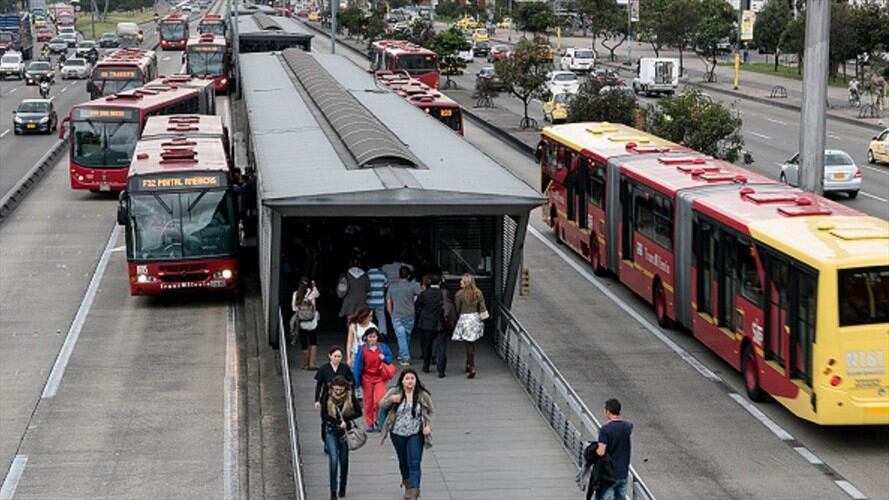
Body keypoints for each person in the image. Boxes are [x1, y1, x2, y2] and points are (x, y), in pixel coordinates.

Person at [381, 369, 433, 500]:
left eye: (412, 378)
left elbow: (430, 411)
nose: (410, 381)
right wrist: (391, 400)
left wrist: (427, 426)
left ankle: (415, 492)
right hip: (397, 433)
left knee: (414, 462)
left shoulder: (421, 395)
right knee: (403, 460)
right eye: (407, 379)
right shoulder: (395, 392)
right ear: (402, 381)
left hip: (415, 433)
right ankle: (407, 484)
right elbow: (382, 404)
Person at [320, 376, 362, 500]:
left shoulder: (349, 396)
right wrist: (338, 421)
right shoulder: (327, 396)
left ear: (345, 388)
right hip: (331, 430)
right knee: (333, 460)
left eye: (340, 389)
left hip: (345, 431)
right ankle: (333, 491)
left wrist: (346, 419)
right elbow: (324, 415)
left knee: (344, 461)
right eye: (336, 389)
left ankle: (342, 486)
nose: (338, 391)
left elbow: (359, 412)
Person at [351, 327, 394, 431]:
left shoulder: (382, 347)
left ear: (377, 337)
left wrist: (384, 358)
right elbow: (358, 366)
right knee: (368, 402)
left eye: (374, 336)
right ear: (366, 338)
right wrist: (356, 381)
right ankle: (370, 422)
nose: (372, 339)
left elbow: (390, 358)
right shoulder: (362, 349)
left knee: (380, 401)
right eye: (370, 337)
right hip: (367, 378)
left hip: (379, 377)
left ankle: (379, 420)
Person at [595, 398, 633, 500]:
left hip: (609, 474)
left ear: (608, 411)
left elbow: (601, 451)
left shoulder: (605, 430)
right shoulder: (628, 426)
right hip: (623, 472)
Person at [451, 274, 487, 379]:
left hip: (465, 319)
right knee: (472, 342)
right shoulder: (478, 293)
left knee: (467, 344)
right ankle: (469, 362)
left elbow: (457, 308)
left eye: (462, 281)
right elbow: (482, 307)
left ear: (466, 283)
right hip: (475, 318)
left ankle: (471, 366)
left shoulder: (459, 294)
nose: (460, 283)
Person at [387, 266, 421, 366]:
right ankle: (404, 355)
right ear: (409, 275)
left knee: (401, 336)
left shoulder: (392, 287)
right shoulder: (413, 286)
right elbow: (421, 294)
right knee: (406, 336)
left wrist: (390, 313)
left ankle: (404, 357)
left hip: (397, 314)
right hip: (410, 314)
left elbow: (389, 302)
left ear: (399, 275)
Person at [415, 274, 446, 378]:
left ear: (429, 282)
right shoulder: (444, 293)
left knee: (427, 345)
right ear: (440, 282)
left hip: (426, 322)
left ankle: (426, 366)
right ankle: (441, 370)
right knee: (441, 347)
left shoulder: (424, 294)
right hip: (440, 322)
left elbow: (417, 304)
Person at [291, 276, 320, 369]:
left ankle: (305, 364)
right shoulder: (313, 293)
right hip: (312, 321)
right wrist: (314, 285)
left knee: (304, 343)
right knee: (313, 341)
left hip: (302, 322)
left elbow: (294, 308)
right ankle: (312, 364)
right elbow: (318, 294)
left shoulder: (296, 294)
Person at [366, 263, 389, 339]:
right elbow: (386, 285)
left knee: (368, 318)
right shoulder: (382, 274)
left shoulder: (366, 275)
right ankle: (382, 334)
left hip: (369, 301)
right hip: (380, 300)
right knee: (381, 319)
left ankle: (368, 334)